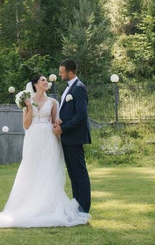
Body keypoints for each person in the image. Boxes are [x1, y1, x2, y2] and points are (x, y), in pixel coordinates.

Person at [0, 73, 90, 230]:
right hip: (33, 138)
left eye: (46, 80)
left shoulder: (53, 102)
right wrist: (30, 108)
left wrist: (58, 123)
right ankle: (32, 202)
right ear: (35, 84)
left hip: (49, 139)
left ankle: (49, 202)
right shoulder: (27, 102)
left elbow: (54, 122)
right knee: (32, 169)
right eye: (43, 80)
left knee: (49, 170)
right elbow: (26, 125)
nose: (46, 82)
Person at [53, 59, 91, 214]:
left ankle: (84, 208)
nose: (59, 74)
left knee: (79, 174)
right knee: (73, 174)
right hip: (68, 139)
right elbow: (70, 112)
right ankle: (77, 205)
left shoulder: (79, 88)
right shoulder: (69, 88)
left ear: (70, 72)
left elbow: (82, 115)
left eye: (62, 72)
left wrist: (63, 128)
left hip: (75, 138)